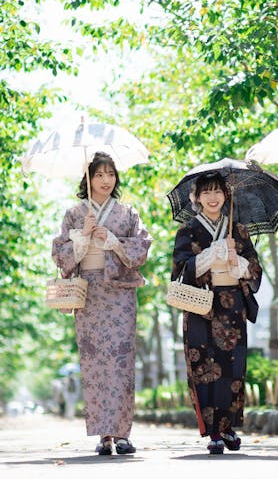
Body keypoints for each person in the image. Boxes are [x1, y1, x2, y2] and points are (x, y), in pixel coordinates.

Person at [52, 151, 152, 455]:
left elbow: (142, 249)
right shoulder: (74, 213)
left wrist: (112, 240)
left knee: (121, 359)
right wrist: (82, 236)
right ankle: (103, 434)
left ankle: (122, 433)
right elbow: (60, 255)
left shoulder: (127, 213)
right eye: (99, 174)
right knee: (94, 362)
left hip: (120, 293)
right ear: (88, 178)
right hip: (89, 292)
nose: (105, 180)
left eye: (110, 174)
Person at [171, 171, 262, 454]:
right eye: (206, 192)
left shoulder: (239, 230)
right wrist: (214, 252)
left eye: (218, 191)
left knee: (232, 367)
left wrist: (239, 263)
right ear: (196, 198)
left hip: (232, 303)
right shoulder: (187, 231)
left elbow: (256, 273)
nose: (213, 197)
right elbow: (181, 270)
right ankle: (212, 431)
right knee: (204, 368)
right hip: (200, 305)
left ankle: (228, 427)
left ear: (226, 195)